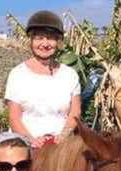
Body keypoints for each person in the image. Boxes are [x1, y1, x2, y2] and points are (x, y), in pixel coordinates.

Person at [5, 10, 81, 152]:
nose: (45, 44)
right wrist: (31, 140)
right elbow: (14, 117)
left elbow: (75, 112)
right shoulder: (17, 74)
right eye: (39, 38)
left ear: (58, 41)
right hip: (25, 144)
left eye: (50, 38)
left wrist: (62, 136)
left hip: (62, 145)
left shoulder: (70, 75)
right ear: (31, 40)